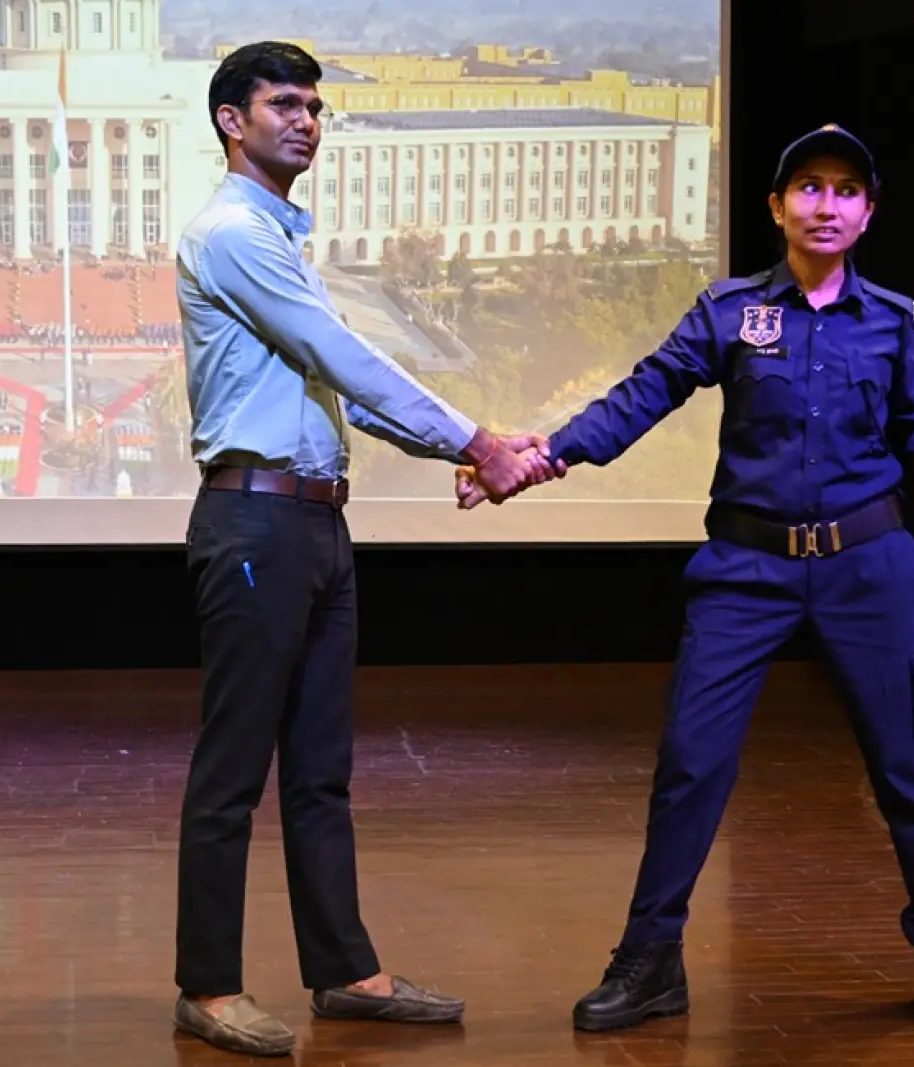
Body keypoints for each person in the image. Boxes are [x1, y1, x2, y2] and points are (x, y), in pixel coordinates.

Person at [458, 124, 914, 1038]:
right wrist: (543, 456)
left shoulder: (894, 320)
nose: (825, 204)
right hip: (747, 567)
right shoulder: (727, 311)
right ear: (776, 207)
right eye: (808, 186)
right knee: (690, 764)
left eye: (845, 190)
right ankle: (649, 960)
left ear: (868, 211)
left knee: (904, 768)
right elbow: (644, 393)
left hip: (867, 565)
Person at [171, 41, 560, 1058]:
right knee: (232, 771)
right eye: (283, 104)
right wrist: (476, 442)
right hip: (254, 522)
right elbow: (341, 356)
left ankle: (343, 968)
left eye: (314, 106)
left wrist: (460, 449)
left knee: (319, 769)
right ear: (231, 120)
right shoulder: (232, 233)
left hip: (312, 522)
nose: (305, 120)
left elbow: (335, 383)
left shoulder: (278, 236)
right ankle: (207, 985)